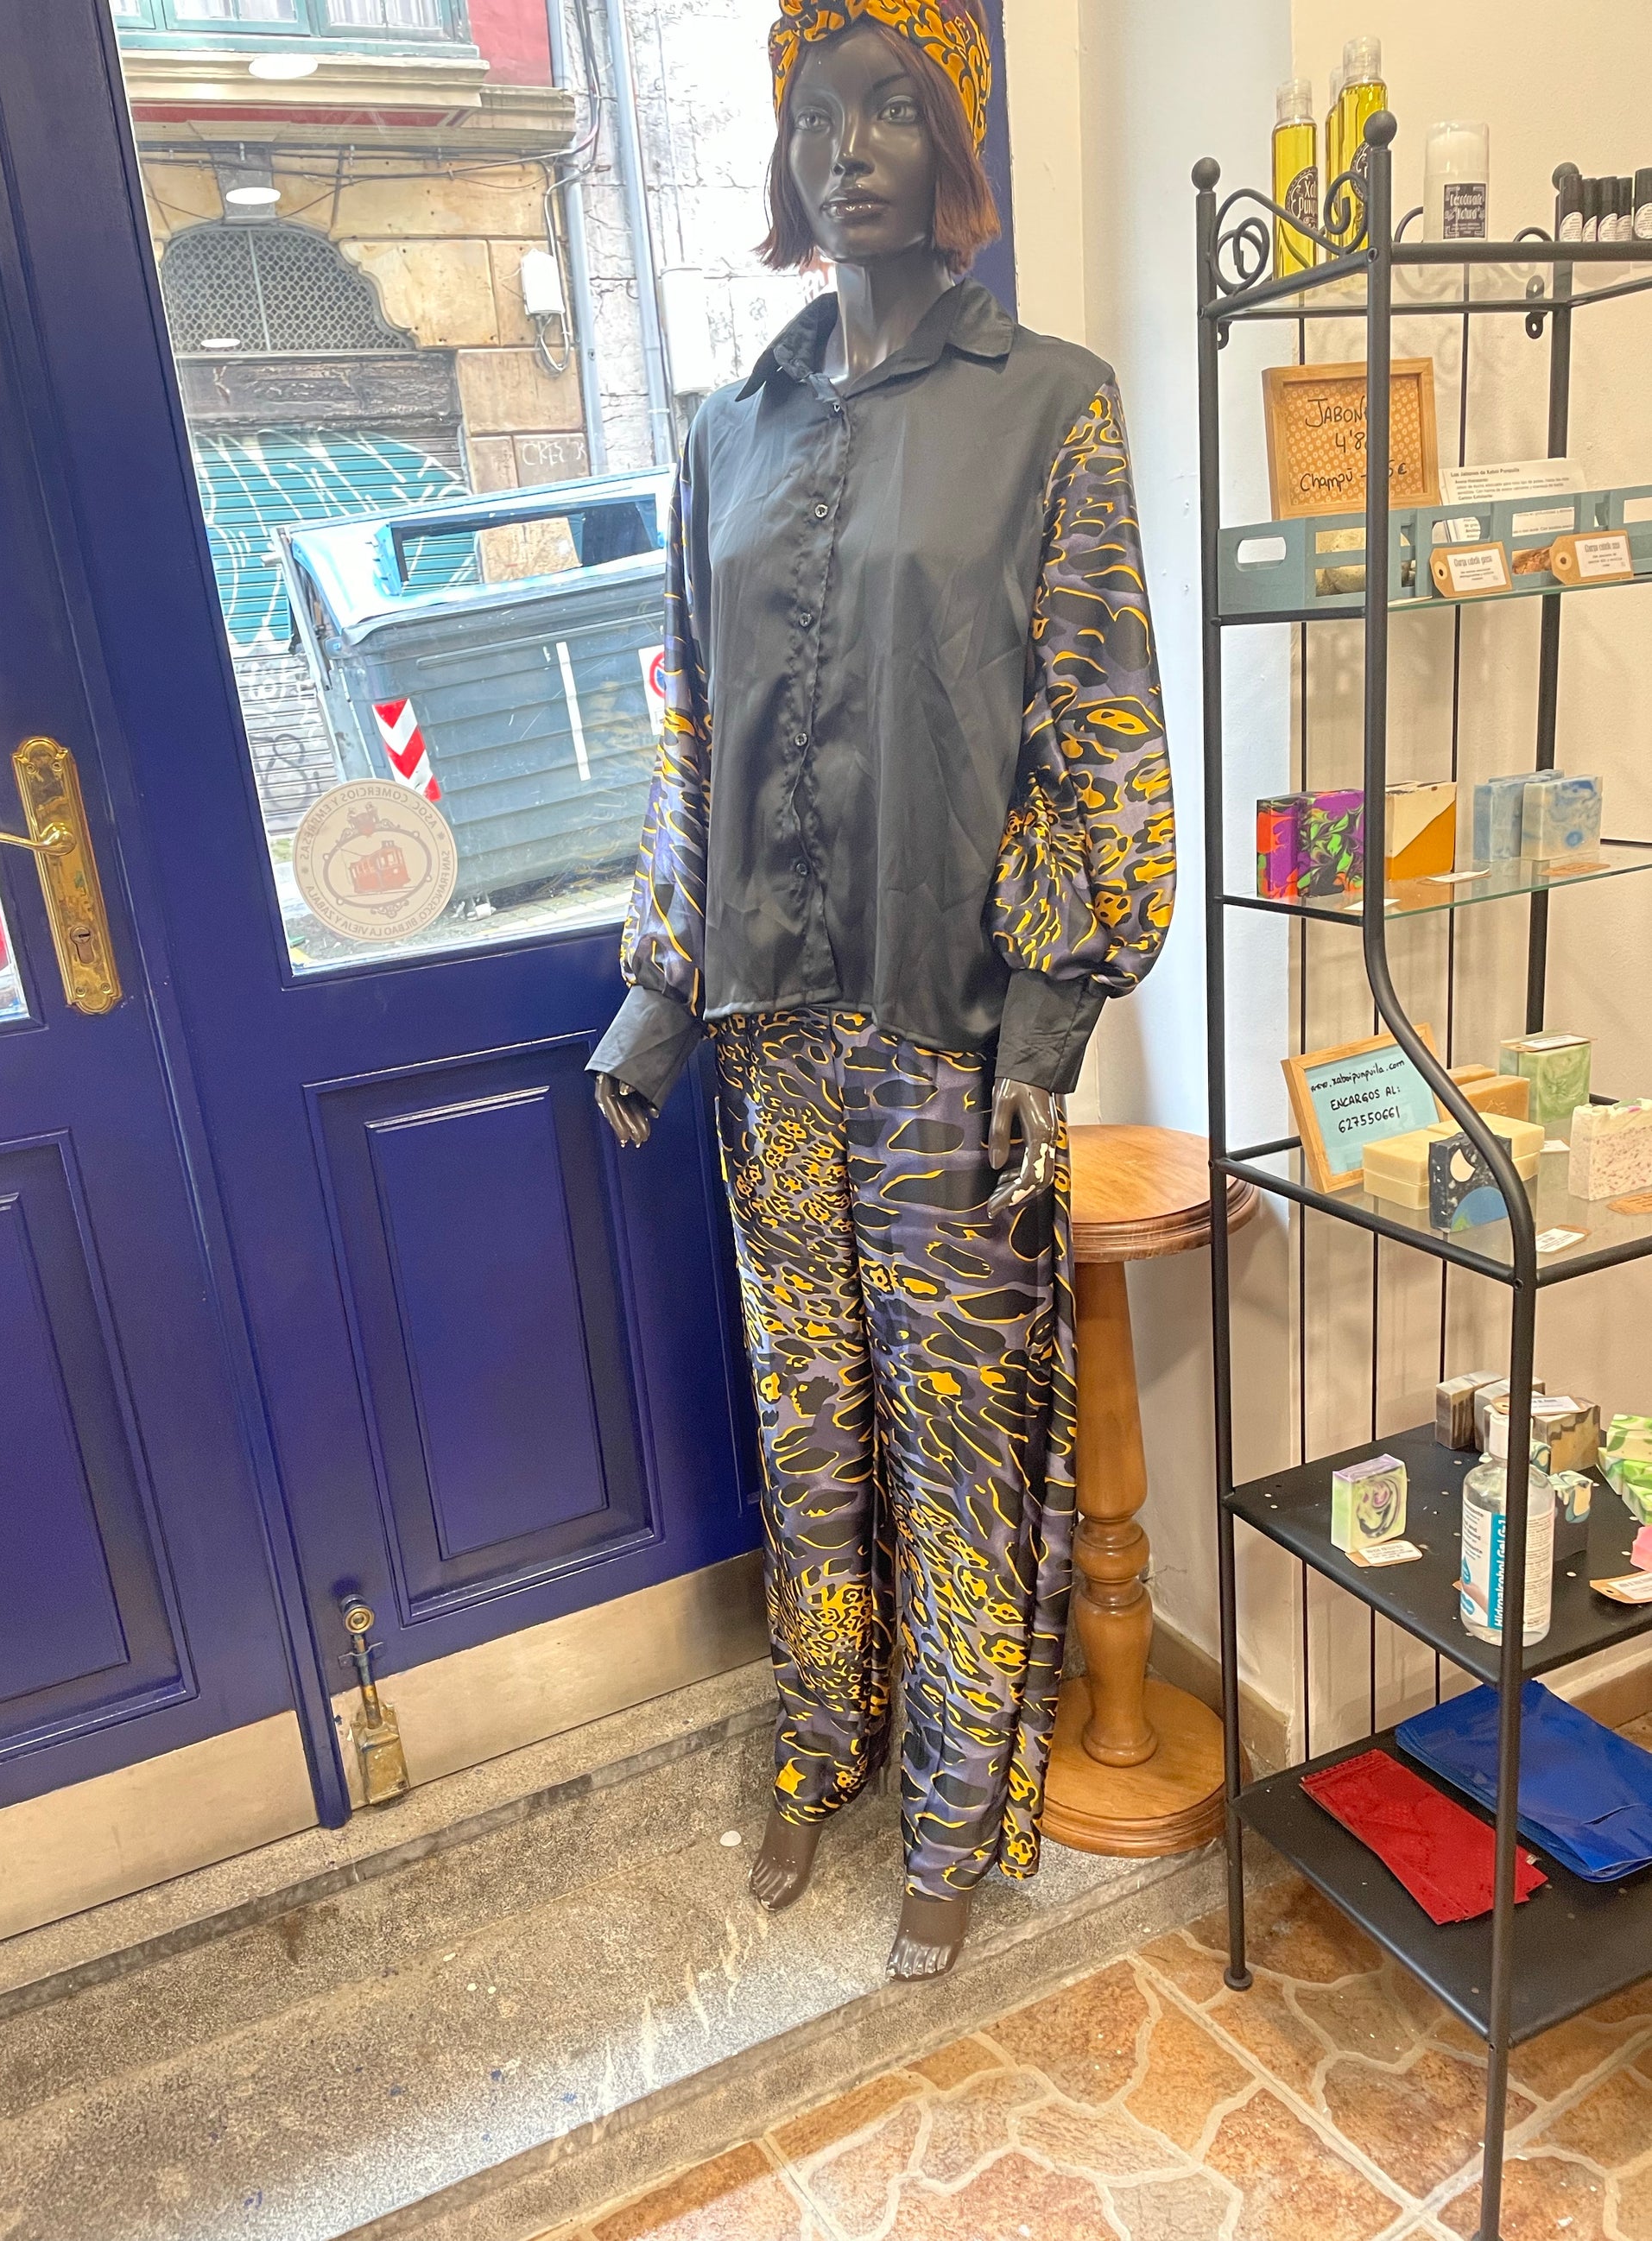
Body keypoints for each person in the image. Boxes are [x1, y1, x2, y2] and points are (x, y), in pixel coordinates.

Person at [590, 0, 1174, 1980]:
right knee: (810, 1420)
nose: (847, 151)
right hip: (766, 1042)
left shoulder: (1051, 405)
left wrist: (1049, 1020)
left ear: (954, 148)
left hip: (951, 1039)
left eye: (892, 114)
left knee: (959, 1433)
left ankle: (949, 1809)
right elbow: (691, 725)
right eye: (816, 117)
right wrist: (660, 986)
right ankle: (819, 1738)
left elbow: (1097, 728)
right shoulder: (726, 431)